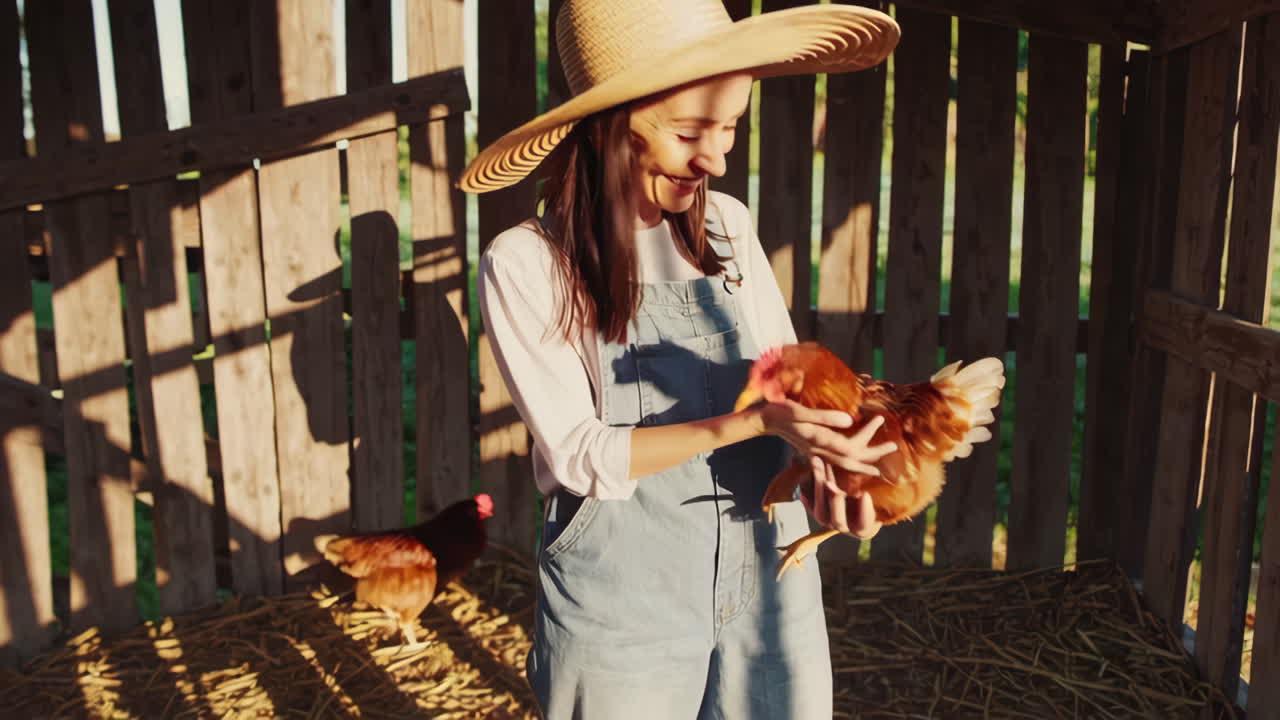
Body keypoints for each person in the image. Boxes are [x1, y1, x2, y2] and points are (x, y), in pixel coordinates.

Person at [459, 1, 900, 717]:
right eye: (691, 131)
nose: (718, 157)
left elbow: (794, 386)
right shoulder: (527, 265)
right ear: (607, 124)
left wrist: (828, 488)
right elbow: (580, 456)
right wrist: (756, 425)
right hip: (623, 603)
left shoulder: (727, 227)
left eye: (730, 128)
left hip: (770, 580)